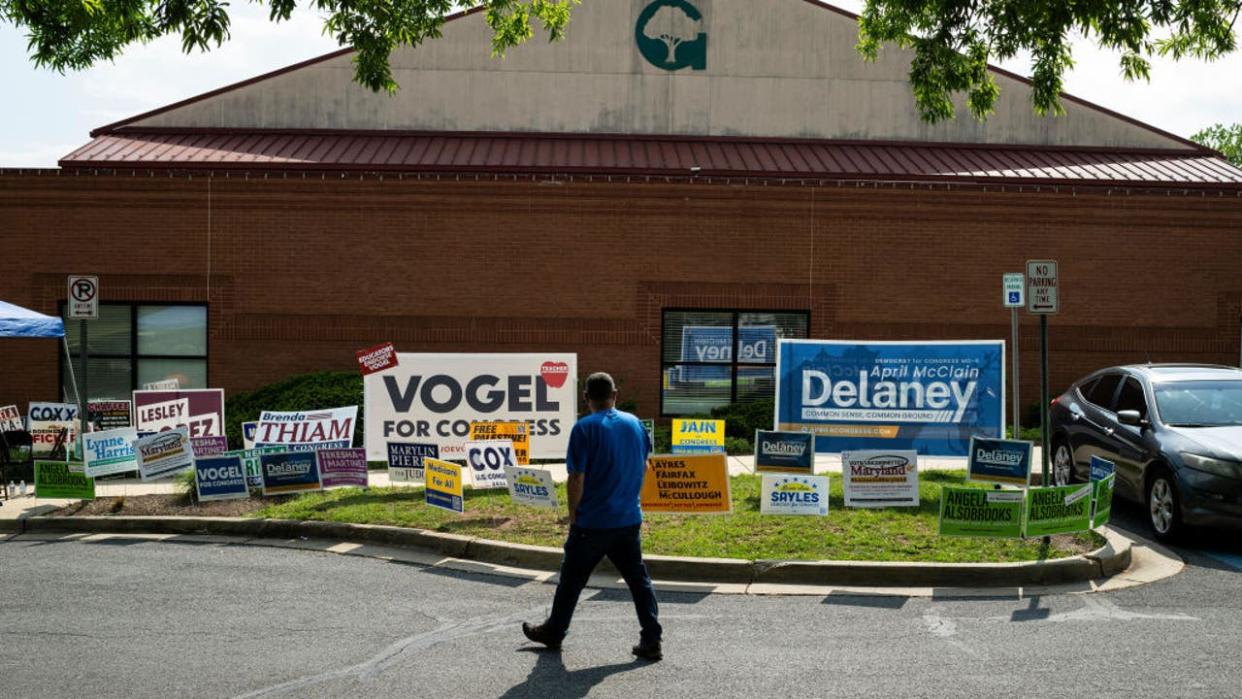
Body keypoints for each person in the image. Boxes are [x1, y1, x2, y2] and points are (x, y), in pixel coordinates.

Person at [522, 372, 662, 661]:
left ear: (586, 398)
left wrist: (574, 514)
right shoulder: (635, 424)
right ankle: (652, 639)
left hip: (593, 523)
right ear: (616, 395)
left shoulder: (584, 428)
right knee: (639, 581)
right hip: (628, 519)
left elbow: (576, 477)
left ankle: (554, 631)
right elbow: (645, 466)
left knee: (572, 580)